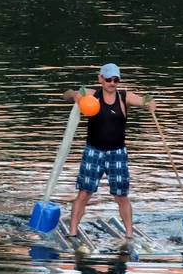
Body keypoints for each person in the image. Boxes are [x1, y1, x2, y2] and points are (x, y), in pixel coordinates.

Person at [62, 63, 156, 241]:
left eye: (115, 79)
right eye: (108, 79)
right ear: (100, 79)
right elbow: (66, 94)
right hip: (93, 151)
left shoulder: (124, 97)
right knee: (84, 194)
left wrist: (150, 102)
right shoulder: (91, 94)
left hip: (117, 153)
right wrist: (74, 95)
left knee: (121, 196)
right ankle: (72, 231)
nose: (112, 83)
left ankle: (129, 234)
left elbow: (143, 100)